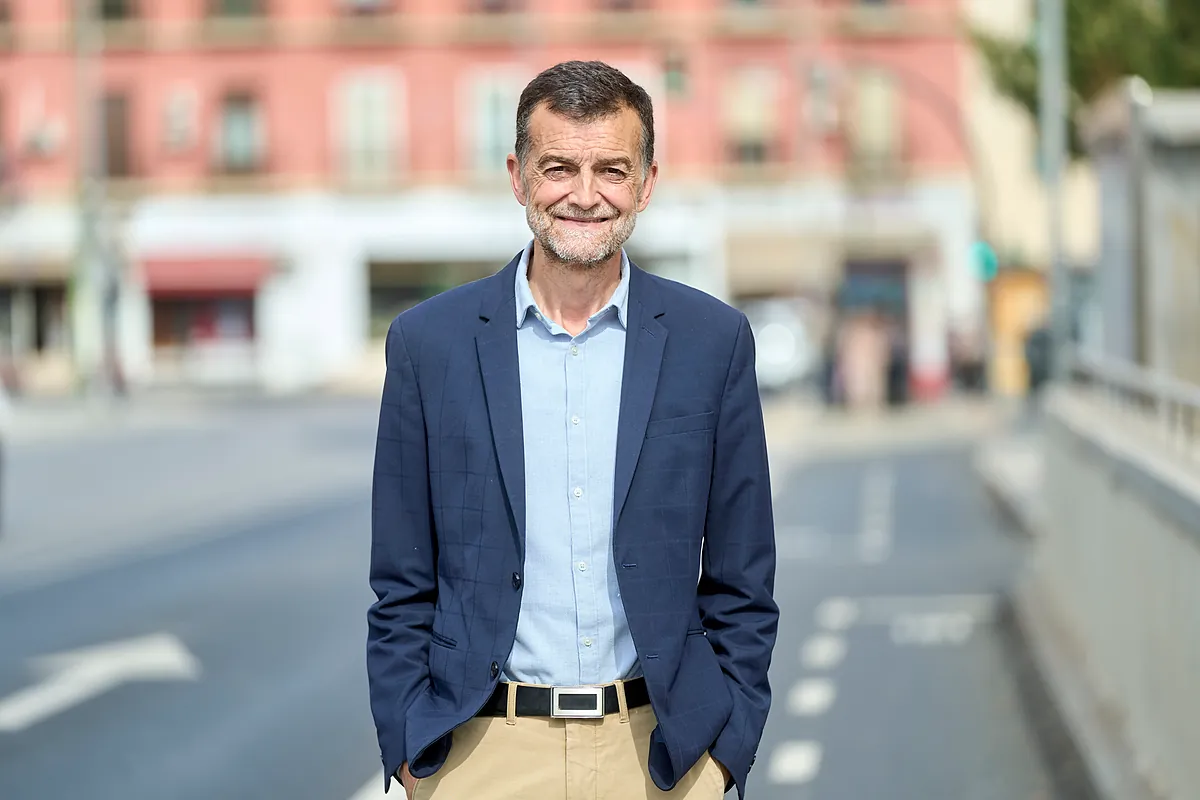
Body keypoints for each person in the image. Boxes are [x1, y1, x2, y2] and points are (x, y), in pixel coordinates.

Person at [367, 60, 779, 800]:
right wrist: (407, 749)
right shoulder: (428, 344)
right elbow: (400, 583)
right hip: (478, 756)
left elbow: (744, 583)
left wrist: (724, 759)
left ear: (647, 183)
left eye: (611, 170)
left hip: (661, 756)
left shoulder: (711, 342)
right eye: (558, 167)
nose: (584, 195)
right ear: (518, 176)